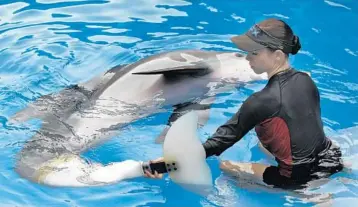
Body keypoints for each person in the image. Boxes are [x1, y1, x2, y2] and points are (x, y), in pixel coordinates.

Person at [144, 18, 343, 189]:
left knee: (226, 167)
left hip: (297, 178)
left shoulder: (261, 101)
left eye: (254, 52)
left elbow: (217, 144)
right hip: (331, 156)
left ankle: (309, 193)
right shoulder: (306, 80)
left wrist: (170, 163)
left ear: (278, 55)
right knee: (264, 142)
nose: (247, 58)